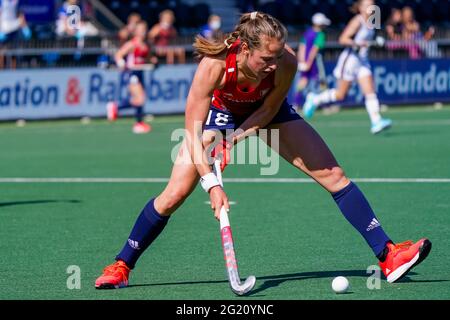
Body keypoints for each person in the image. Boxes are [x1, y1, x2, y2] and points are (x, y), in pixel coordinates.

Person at [94, 11, 431, 289]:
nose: (273, 64)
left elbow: (269, 110)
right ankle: (123, 264)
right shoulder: (214, 65)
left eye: (277, 56)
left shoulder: (285, 62)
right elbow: (193, 134)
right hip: (219, 114)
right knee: (174, 194)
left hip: (266, 112)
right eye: (266, 58)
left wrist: (233, 140)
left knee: (333, 175)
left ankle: (388, 254)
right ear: (243, 49)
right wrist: (211, 184)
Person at [303, 0, 392, 135]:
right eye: (367, 5)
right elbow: (343, 39)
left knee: (370, 91)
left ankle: (376, 121)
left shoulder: (372, 23)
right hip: (350, 60)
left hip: (362, 61)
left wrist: (377, 41)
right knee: (340, 95)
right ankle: (314, 99)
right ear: (361, 8)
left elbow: (368, 41)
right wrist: (357, 43)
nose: (370, 8)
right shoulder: (358, 21)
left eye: (372, 5)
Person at [106, 21, 156, 134]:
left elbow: (148, 58)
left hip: (140, 73)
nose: (143, 32)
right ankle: (119, 109)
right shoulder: (132, 44)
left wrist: (153, 61)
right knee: (140, 98)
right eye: (141, 29)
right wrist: (120, 62)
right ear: (136, 31)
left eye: (145, 29)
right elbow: (119, 54)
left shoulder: (146, 45)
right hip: (132, 73)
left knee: (139, 99)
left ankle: (137, 121)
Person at [293, 12, 330, 111]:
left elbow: (302, 47)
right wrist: (309, 63)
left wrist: (302, 60)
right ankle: (325, 105)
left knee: (303, 81)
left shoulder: (307, 32)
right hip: (315, 62)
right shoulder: (321, 34)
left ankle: (296, 104)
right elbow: (314, 50)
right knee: (321, 81)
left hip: (305, 61)